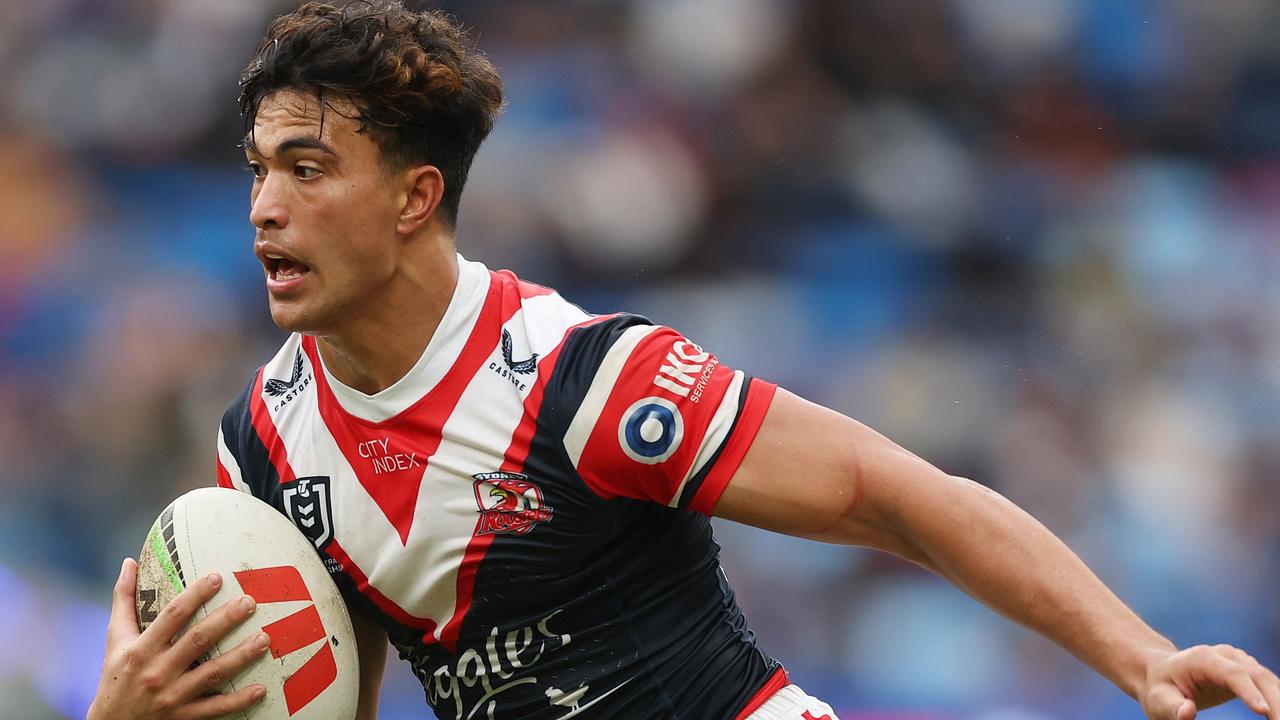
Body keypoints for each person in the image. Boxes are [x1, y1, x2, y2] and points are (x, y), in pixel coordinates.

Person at [87, 2, 1280, 720]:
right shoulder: (261, 449)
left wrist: (1137, 654)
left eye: (304, 169)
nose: (261, 209)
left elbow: (897, 498)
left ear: (414, 197)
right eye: (255, 169)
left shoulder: (583, 383)